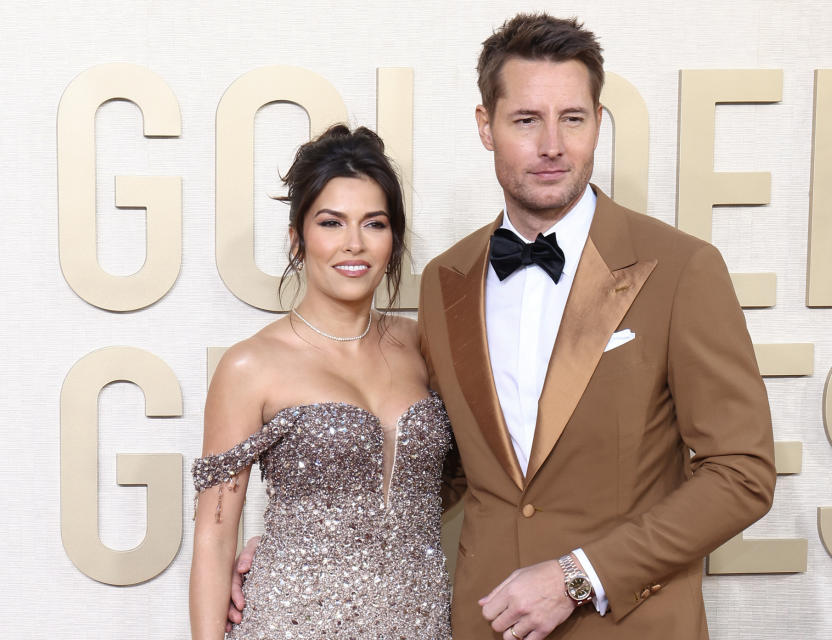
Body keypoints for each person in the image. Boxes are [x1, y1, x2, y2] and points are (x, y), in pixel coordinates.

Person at [232, 13, 776, 640]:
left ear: (597, 122)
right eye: (526, 120)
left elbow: (741, 473)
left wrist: (580, 574)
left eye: (573, 118)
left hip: (629, 623)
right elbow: (450, 461)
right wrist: (319, 544)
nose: (553, 145)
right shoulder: (446, 280)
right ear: (486, 126)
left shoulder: (682, 269)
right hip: (482, 622)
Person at [189, 125, 453, 640]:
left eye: (373, 224)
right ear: (297, 237)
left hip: (421, 621)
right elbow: (215, 535)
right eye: (331, 222)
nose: (354, 244)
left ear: (393, 237)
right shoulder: (251, 365)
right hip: (291, 622)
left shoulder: (425, 347)